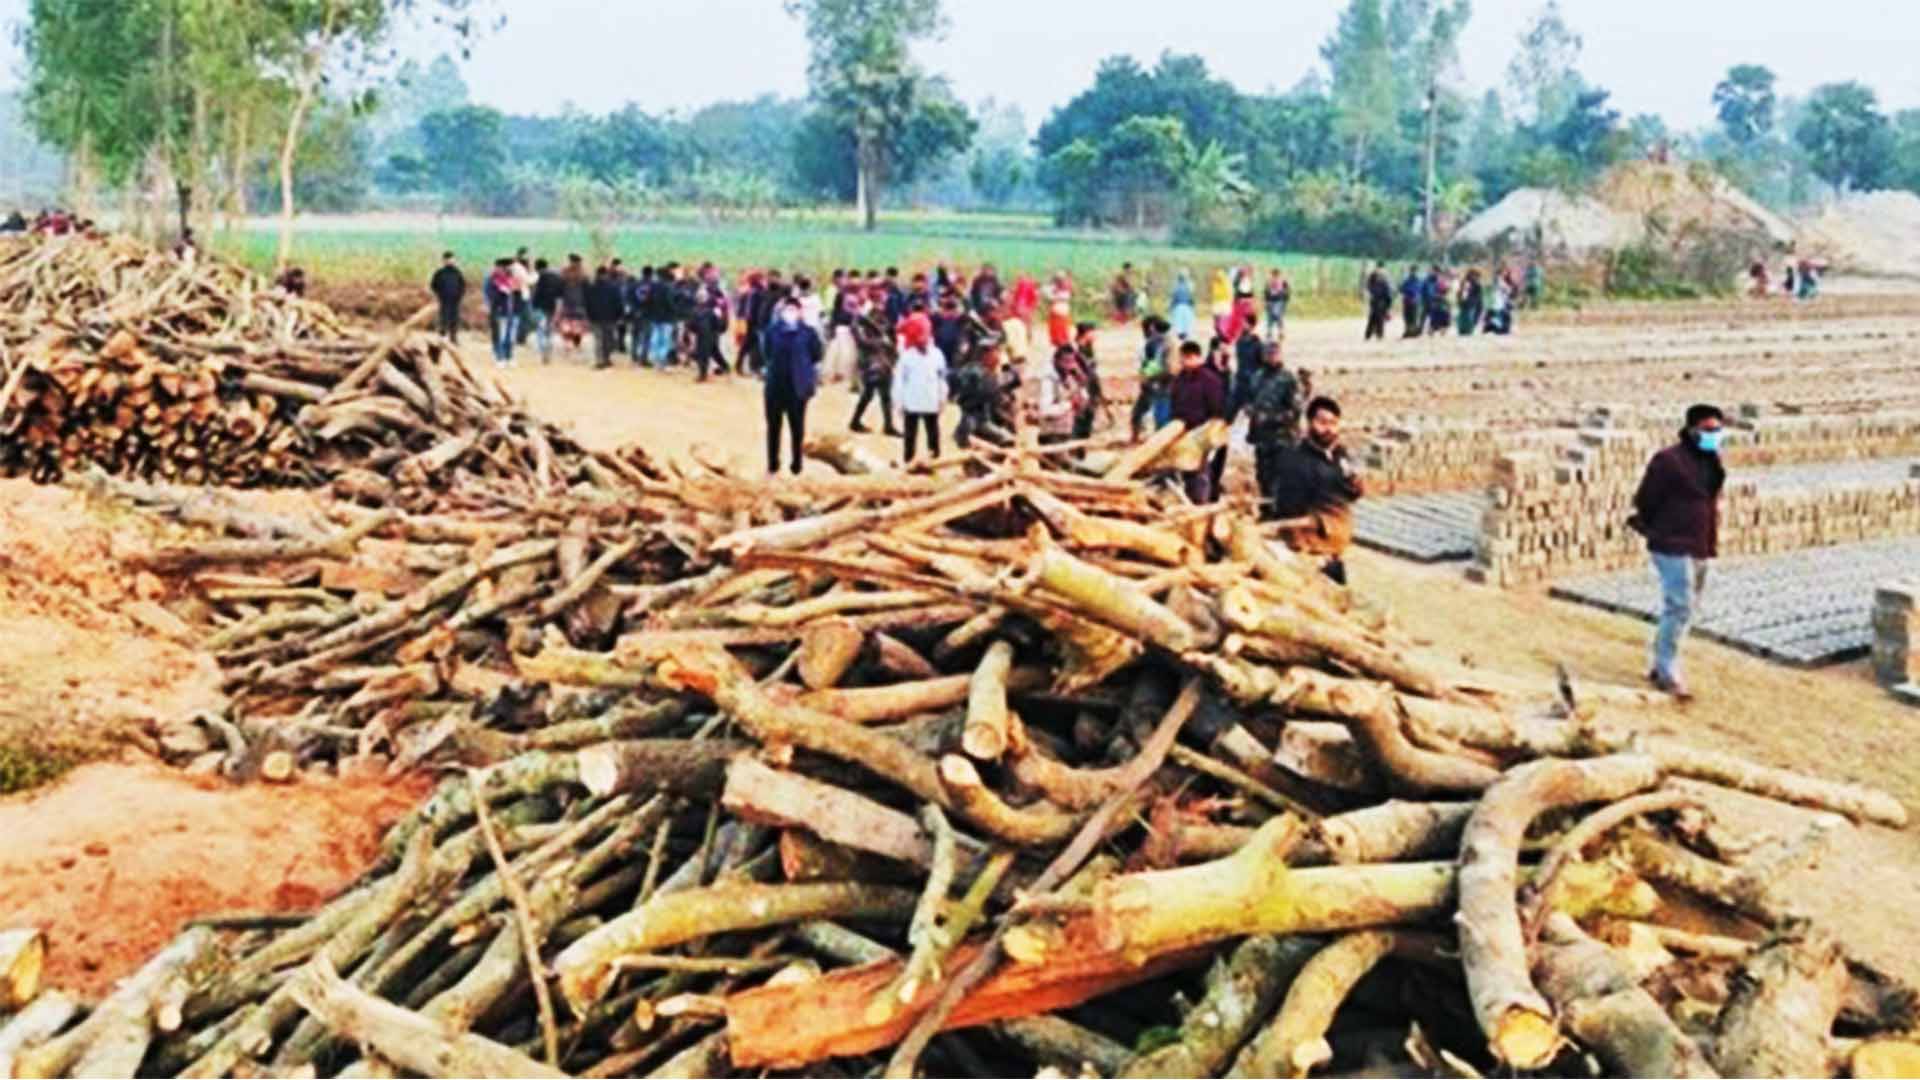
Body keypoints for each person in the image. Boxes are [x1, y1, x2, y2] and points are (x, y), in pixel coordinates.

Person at [1628, 404, 1728, 700]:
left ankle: (1662, 663)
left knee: (1686, 608)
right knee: (1680, 605)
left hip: (1700, 542)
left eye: (1718, 430)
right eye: (1709, 430)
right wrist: (1659, 527)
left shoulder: (1712, 461)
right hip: (1671, 542)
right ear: (1692, 429)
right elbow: (1646, 499)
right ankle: (1667, 669)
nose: (1715, 435)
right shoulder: (1668, 461)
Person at [1268, 397, 1365, 584]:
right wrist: (1300, 543)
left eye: (1333, 423)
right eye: (1322, 422)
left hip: (1336, 543)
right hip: (1313, 547)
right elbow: (1289, 508)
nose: (1328, 428)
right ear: (1310, 423)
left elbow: (1350, 494)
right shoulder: (1295, 460)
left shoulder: (1340, 454)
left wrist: (1356, 486)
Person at [1238, 341, 1301, 518]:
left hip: (1283, 438)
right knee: (1263, 476)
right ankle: (1267, 512)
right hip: (1262, 438)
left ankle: (1282, 513)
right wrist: (1249, 410)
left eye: (1274, 354)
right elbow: (1251, 399)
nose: (1271, 357)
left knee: (1281, 478)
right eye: (1268, 354)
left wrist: (1271, 418)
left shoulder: (1288, 379)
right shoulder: (1257, 377)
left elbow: (1295, 411)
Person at [762, 297, 821, 476]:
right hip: (775, 386)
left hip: (798, 387)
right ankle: (773, 464)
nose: (790, 313)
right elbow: (767, 353)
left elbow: (816, 354)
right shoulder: (772, 331)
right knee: (774, 427)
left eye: (794, 309)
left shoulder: (808, 333)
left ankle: (797, 464)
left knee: (797, 428)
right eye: (787, 309)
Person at [1168, 340, 1227, 503]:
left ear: (1195, 357)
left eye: (1185, 358)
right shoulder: (1180, 380)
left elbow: (1217, 410)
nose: (1183, 362)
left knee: (1203, 475)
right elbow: (1174, 405)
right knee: (1186, 473)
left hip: (1204, 435)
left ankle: (1203, 505)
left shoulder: (1210, 380)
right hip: (1183, 435)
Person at [892, 315, 948, 464]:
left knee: (933, 434)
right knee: (910, 435)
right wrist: (898, 403)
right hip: (912, 402)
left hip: (931, 400)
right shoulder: (906, 358)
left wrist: (942, 397)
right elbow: (899, 382)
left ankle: (935, 460)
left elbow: (941, 378)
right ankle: (908, 462)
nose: (923, 339)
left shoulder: (937, 355)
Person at [952, 341, 1018, 449]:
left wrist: (1007, 366)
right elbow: (988, 397)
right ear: (985, 355)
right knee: (1008, 439)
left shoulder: (991, 373)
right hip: (978, 422)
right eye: (995, 352)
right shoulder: (975, 373)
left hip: (991, 421)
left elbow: (1015, 381)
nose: (998, 356)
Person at [849, 307, 900, 436]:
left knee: (884, 397)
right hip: (872, 368)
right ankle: (856, 421)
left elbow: (894, 348)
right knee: (868, 396)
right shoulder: (867, 336)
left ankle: (888, 425)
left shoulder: (884, 334)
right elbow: (859, 339)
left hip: (884, 367)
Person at [1130, 316, 1174, 441]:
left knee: (1160, 417)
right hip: (1158, 383)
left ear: (1152, 328)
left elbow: (1162, 366)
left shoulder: (1160, 344)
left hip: (1162, 385)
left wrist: (1147, 376)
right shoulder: (1163, 342)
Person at [483, 258, 519, 364]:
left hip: (509, 310)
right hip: (498, 309)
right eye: (507, 266)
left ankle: (509, 356)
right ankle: (500, 356)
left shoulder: (510, 278)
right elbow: (488, 294)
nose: (509, 268)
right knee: (500, 334)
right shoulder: (492, 279)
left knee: (509, 335)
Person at [586, 265, 623, 368]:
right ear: (606, 274)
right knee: (608, 339)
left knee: (599, 339)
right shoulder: (613, 287)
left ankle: (600, 360)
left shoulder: (591, 287)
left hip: (596, 317)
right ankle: (606, 358)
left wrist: (589, 315)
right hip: (610, 317)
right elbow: (618, 303)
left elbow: (587, 303)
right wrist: (619, 316)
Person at [531, 258, 563, 363]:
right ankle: (548, 351)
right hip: (553, 307)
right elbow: (560, 293)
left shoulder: (540, 277)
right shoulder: (557, 277)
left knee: (541, 330)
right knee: (549, 330)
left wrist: (533, 306)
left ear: (537, 267)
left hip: (541, 308)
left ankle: (544, 352)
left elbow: (537, 294)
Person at [429, 252, 465, 343]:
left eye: (451, 259)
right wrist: (439, 294)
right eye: (447, 259)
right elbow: (433, 285)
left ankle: (453, 338)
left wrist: (459, 296)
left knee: (454, 318)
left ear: (454, 260)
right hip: (443, 299)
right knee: (443, 318)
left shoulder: (457, 273)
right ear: (443, 261)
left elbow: (462, 285)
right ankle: (442, 338)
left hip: (455, 300)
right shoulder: (439, 273)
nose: (449, 261)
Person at [558, 255, 590, 354]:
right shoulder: (584, 274)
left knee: (567, 324)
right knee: (577, 325)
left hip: (568, 303)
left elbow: (559, 288)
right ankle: (576, 344)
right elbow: (587, 290)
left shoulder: (564, 273)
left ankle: (568, 344)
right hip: (579, 303)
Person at [1046, 272, 1075, 349]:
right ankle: (1061, 342)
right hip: (1060, 309)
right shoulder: (1056, 288)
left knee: (1061, 328)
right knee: (1060, 328)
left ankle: (1062, 342)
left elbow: (1051, 297)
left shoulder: (1060, 289)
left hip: (1060, 309)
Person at [1263, 269, 1291, 341]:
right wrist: (1266, 301)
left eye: (1276, 276)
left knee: (1278, 316)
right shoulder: (1268, 282)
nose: (1274, 278)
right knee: (1270, 317)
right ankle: (1269, 332)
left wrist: (1285, 302)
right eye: (1273, 276)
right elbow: (1266, 293)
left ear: (1279, 275)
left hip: (1279, 301)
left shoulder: (1283, 282)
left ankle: (1280, 332)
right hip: (1271, 301)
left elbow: (1287, 292)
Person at [1169, 269, 1197, 340]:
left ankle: (1182, 340)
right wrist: (1193, 307)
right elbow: (1191, 299)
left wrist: (1171, 308)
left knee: (1180, 328)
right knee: (1186, 327)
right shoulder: (1190, 286)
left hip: (1179, 308)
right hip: (1187, 308)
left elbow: (1173, 299)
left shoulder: (1176, 287)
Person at [1456, 268, 1484, 337]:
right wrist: (1460, 300)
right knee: (1464, 318)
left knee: (1470, 318)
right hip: (1465, 303)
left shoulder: (1477, 285)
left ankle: (1468, 331)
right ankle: (1463, 331)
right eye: (1475, 275)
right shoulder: (1464, 282)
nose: (1476, 277)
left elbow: (1479, 296)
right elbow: (1459, 293)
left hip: (1472, 304)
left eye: (1477, 276)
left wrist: (1478, 304)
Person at [1399, 264, 1424, 339]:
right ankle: (1408, 331)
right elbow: (1401, 289)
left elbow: (1420, 290)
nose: (1413, 272)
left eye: (1415, 271)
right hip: (1408, 301)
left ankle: (1413, 332)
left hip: (1414, 301)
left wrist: (1415, 296)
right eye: (1412, 271)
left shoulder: (1419, 280)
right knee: (1407, 317)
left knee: (1414, 317)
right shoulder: (1407, 280)